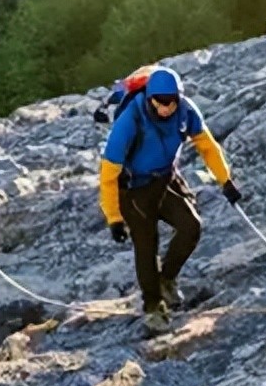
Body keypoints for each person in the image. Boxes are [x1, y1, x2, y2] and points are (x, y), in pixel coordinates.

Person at [99, 67, 242, 335]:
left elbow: (207, 145)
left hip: (165, 179)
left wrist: (226, 180)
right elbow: (108, 173)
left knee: (191, 226)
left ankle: (167, 280)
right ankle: (153, 307)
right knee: (146, 245)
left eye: (171, 101)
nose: (166, 107)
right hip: (134, 189)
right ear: (150, 98)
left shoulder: (186, 111)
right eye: (160, 102)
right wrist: (114, 217)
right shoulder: (131, 119)